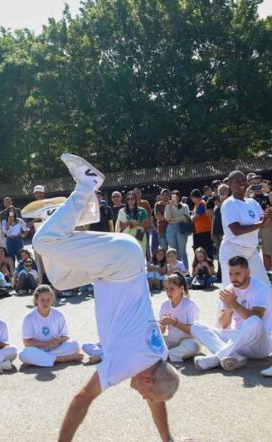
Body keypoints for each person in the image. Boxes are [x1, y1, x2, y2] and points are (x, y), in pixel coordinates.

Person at [26, 154, 181, 442]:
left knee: (59, 279)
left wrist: (168, 440)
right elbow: (81, 400)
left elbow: (158, 398)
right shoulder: (125, 364)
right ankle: (87, 185)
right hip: (118, 263)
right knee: (42, 242)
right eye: (146, 396)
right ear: (147, 381)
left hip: (120, 265)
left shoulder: (159, 357)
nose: (145, 399)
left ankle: (63, 215)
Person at [191, 256, 272, 371]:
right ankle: (234, 357)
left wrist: (234, 304)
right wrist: (228, 308)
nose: (233, 278)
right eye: (230, 274)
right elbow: (223, 325)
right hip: (235, 341)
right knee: (196, 326)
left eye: (237, 273)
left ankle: (217, 357)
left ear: (247, 272)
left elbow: (257, 317)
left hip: (258, 344)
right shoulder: (229, 290)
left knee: (254, 320)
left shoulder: (260, 288)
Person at [218, 171, 268, 285]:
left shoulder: (252, 202)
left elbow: (264, 222)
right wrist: (261, 223)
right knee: (232, 288)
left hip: (251, 250)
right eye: (237, 181)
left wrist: (271, 217)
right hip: (232, 251)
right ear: (230, 184)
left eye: (243, 180)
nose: (241, 183)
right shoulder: (228, 204)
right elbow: (236, 230)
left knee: (264, 285)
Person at [19, 285, 83, 367]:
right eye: (42, 299)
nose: (45, 302)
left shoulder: (58, 314)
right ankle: (65, 358)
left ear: (52, 299)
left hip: (55, 348)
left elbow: (66, 336)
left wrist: (58, 340)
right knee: (23, 354)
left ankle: (42, 359)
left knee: (75, 345)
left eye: (48, 299)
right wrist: (46, 344)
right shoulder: (29, 318)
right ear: (36, 300)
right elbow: (27, 342)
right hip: (38, 349)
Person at [158, 273, 200, 363]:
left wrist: (173, 322)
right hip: (171, 340)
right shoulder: (165, 305)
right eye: (166, 289)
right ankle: (168, 354)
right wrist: (162, 324)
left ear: (181, 288)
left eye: (172, 289)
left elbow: (192, 331)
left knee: (192, 346)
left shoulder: (190, 305)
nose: (168, 292)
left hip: (188, 340)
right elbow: (162, 331)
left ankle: (167, 354)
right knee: (151, 344)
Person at [117, 192, 149, 258]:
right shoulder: (122, 211)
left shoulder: (142, 210)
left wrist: (137, 223)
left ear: (135, 199)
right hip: (127, 236)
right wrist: (130, 222)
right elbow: (121, 227)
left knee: (139, 256)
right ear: (126, 200)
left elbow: (146, 225)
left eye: (132, 198)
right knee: (128, 256)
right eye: (128, 199)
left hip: (139, 235)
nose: (130, 200)